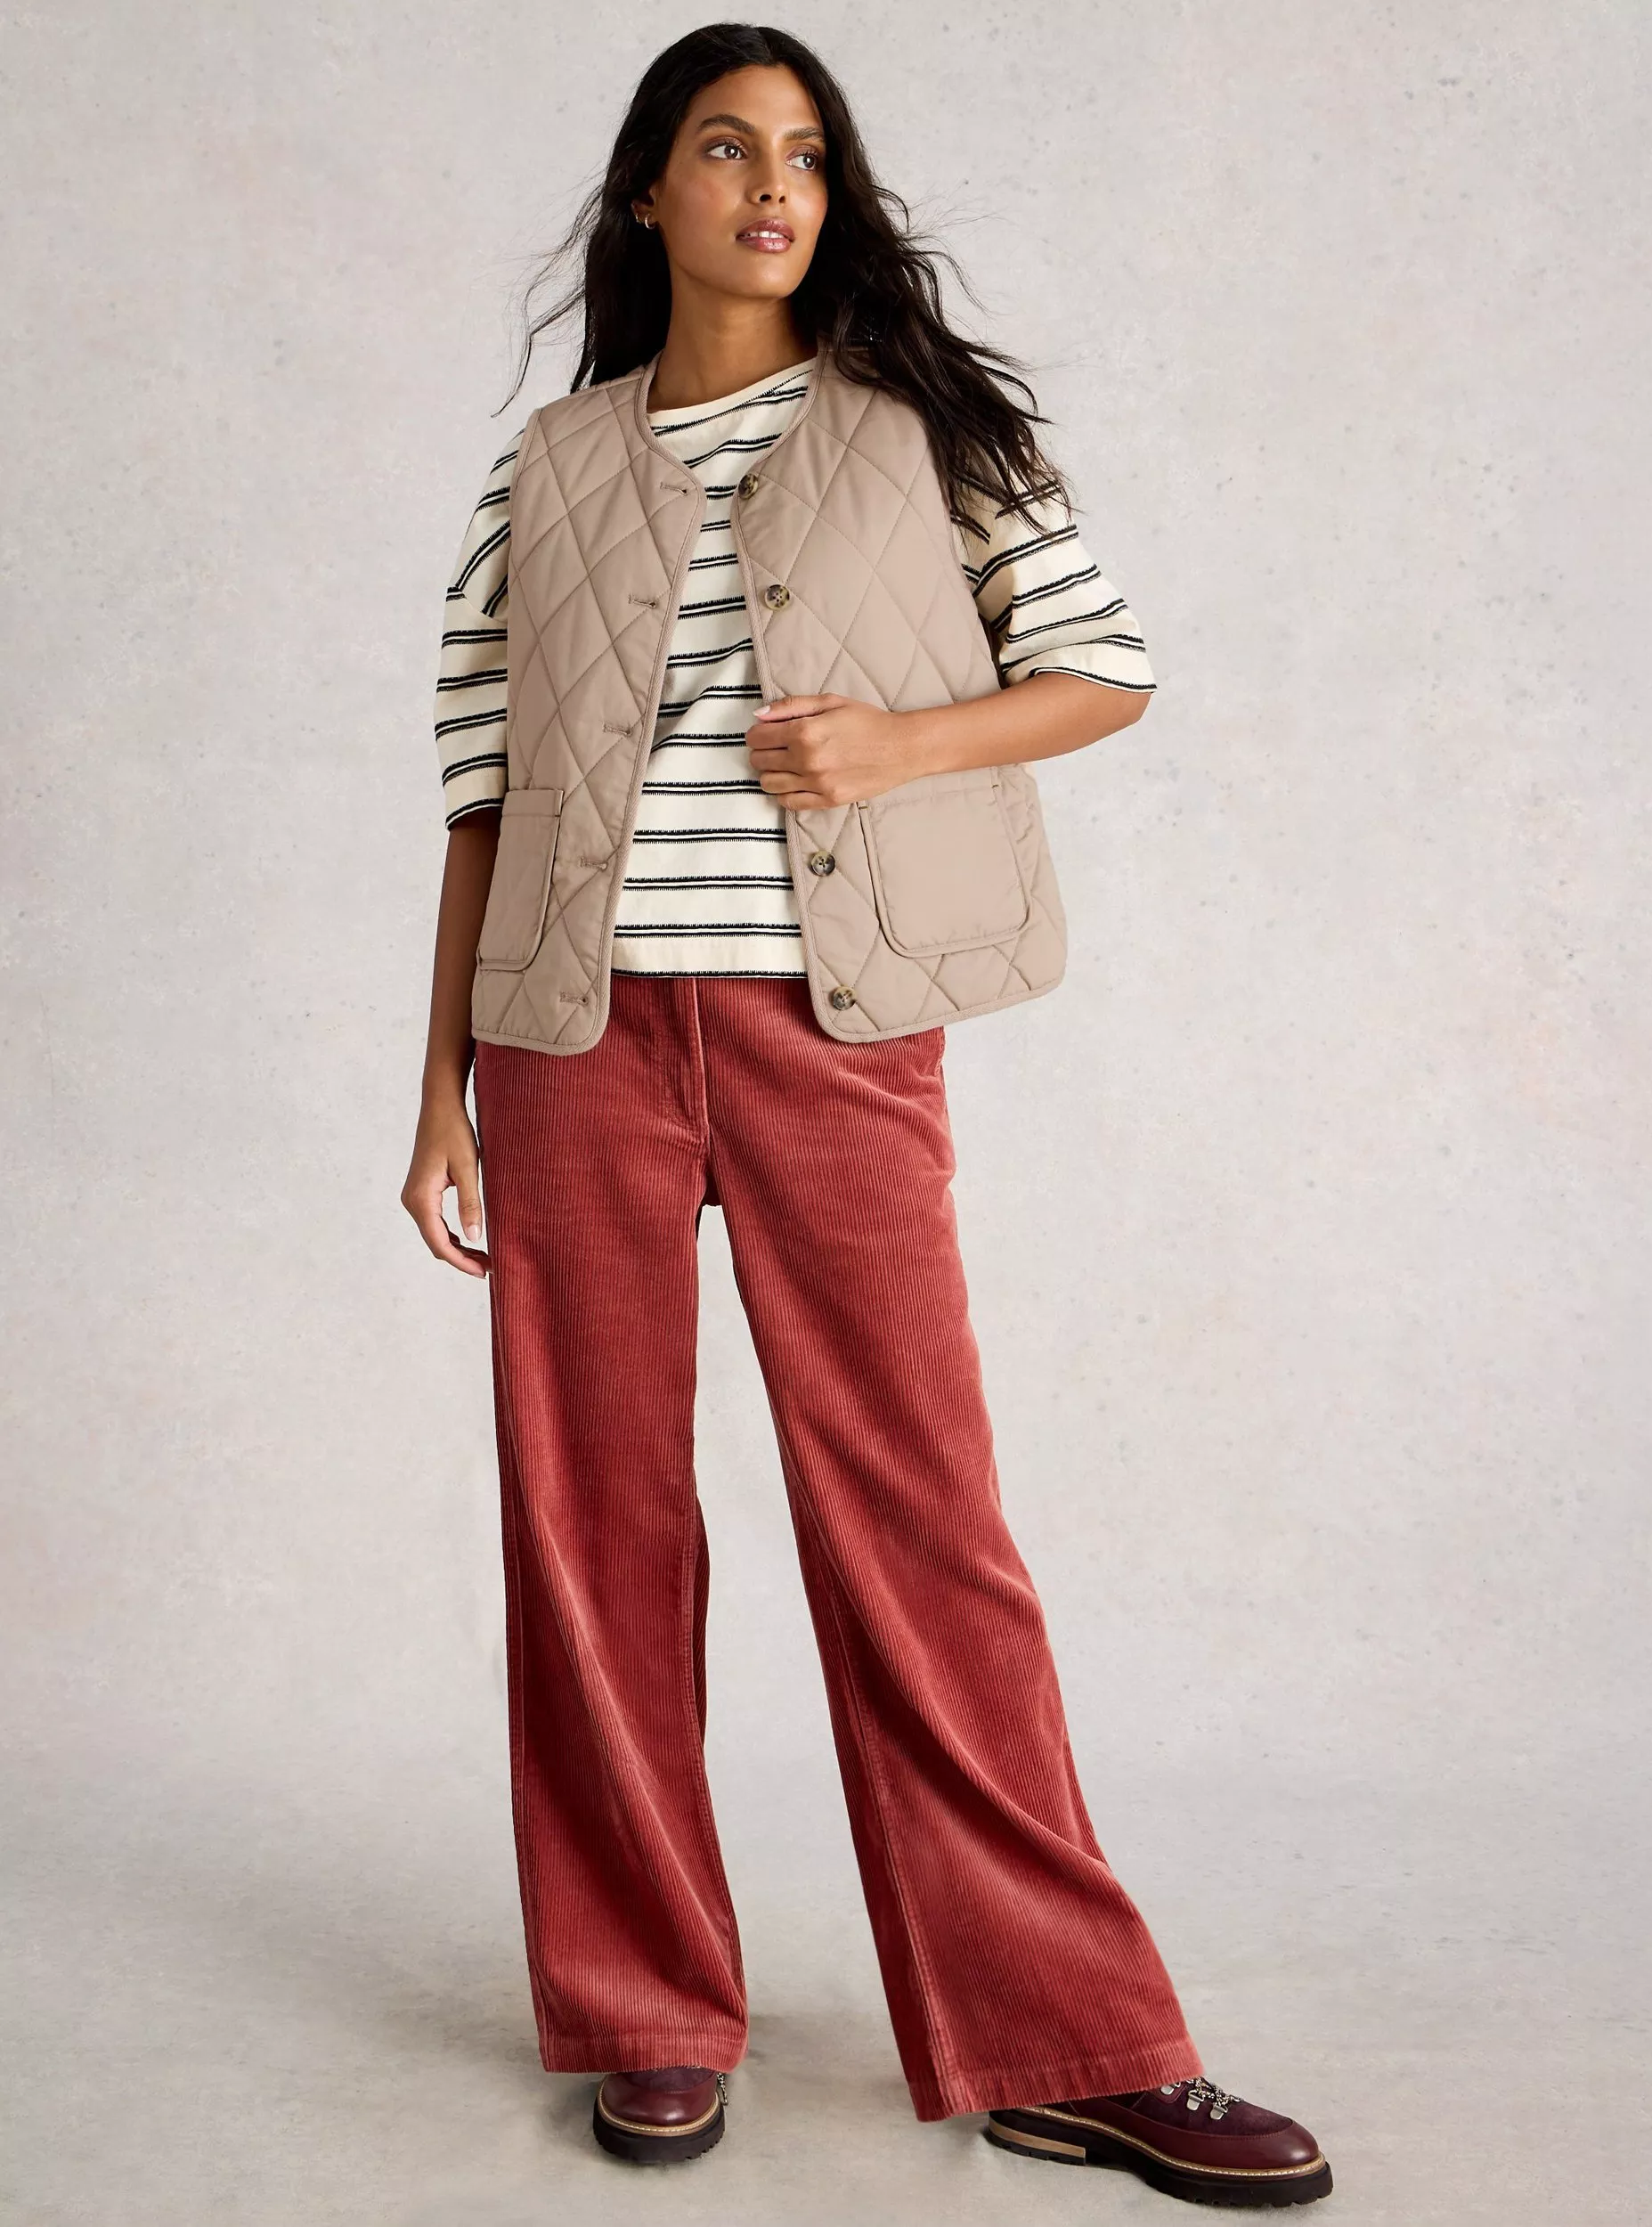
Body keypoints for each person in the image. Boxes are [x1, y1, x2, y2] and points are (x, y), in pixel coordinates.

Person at [402, 21, 1332, 2208]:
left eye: (806, 154)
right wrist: (436, 1081)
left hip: (834, 1032)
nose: (772, 187)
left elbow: (1102, 665)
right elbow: (481, 785)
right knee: (591, 1526)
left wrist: (900, 746)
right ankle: (643, 2007)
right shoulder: (549, 465)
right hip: (567, 1047)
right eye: (726, 148)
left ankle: (1070, 2041)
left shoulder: (923, 427)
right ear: (648, 192)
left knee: (920, 1522)